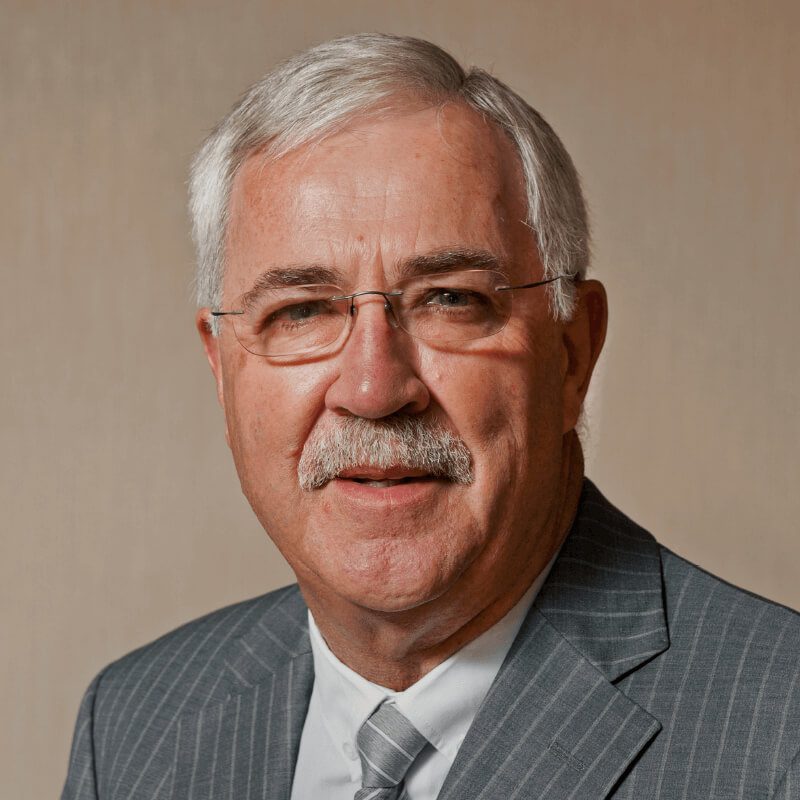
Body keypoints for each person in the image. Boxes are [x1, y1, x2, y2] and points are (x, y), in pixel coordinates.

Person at [61, 33, 800, 799]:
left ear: (573, 351)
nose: (375, 388)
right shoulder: (132, 728)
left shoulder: (780, 734)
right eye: (302, 311)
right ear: (222, 372)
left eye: (449, 299)